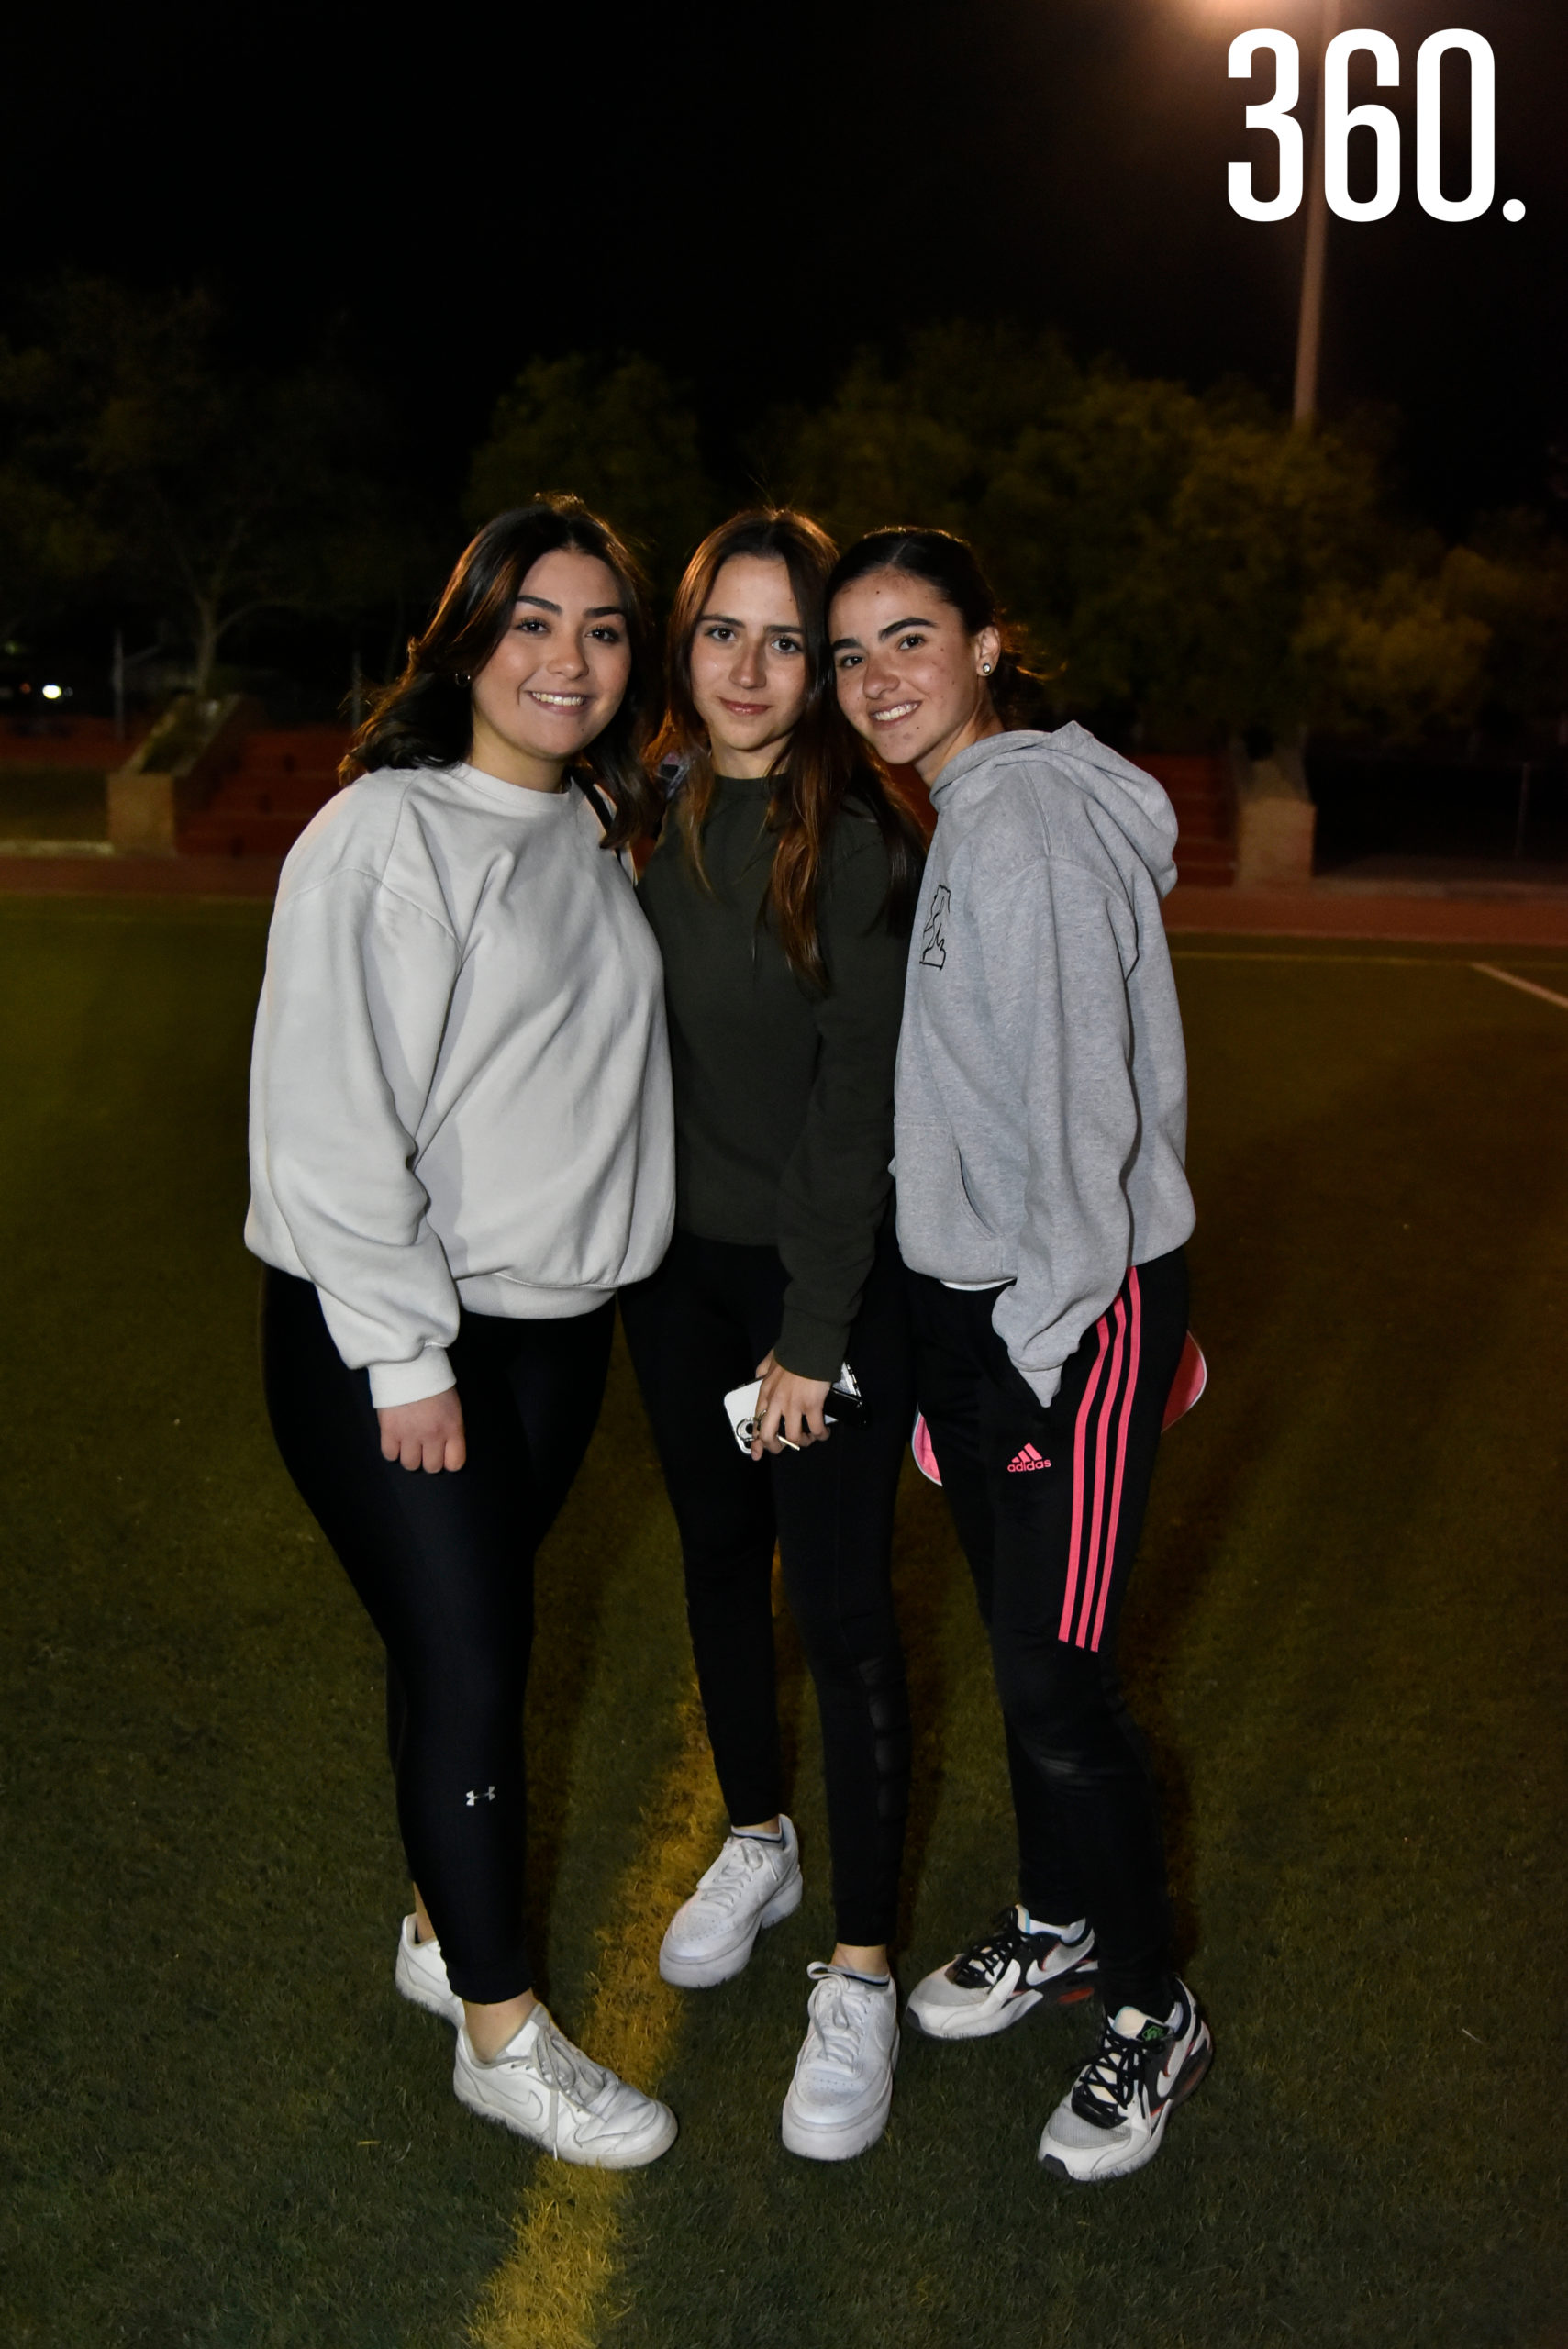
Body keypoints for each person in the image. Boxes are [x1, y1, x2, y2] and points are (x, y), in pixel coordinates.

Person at [247, 498, 680, 2168]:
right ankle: (500, 2034)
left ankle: (442, 1932)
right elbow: (329, 1123)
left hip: (557, 1331)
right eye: (532, 623)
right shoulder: (383, 835)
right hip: (397, 1337)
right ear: (469, 637)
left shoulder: (586, 822)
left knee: (453, 1649)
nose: (566, 659)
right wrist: (406, 1361)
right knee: (478, 1663)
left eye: (602, 628)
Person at [828, 526, 1212, 2184]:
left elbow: (1075, 1120)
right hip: (980, 1315)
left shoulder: (1033, 823)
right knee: (1017, 1653)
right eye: (850, 655)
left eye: (910, 639)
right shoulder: (972, 811)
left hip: (1067, 1307)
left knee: (1057, 1685)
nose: (875, 681)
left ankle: (1147, 2005)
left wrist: (1043, 1351)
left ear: (989, 643)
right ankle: (1058, 1920)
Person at [619, 509, 924, 2161]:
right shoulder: (641, 807)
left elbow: (856, 1111)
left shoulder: (860, 841)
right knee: (715, 1560)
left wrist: (811, 1336)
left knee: (846, 1606)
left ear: (819, 665)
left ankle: (862, 1967)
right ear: (684, 648)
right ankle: (759, 1835)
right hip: (674, 1284)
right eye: (719, 633)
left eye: (784, 639)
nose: (747, 670)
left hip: (821, 1291)